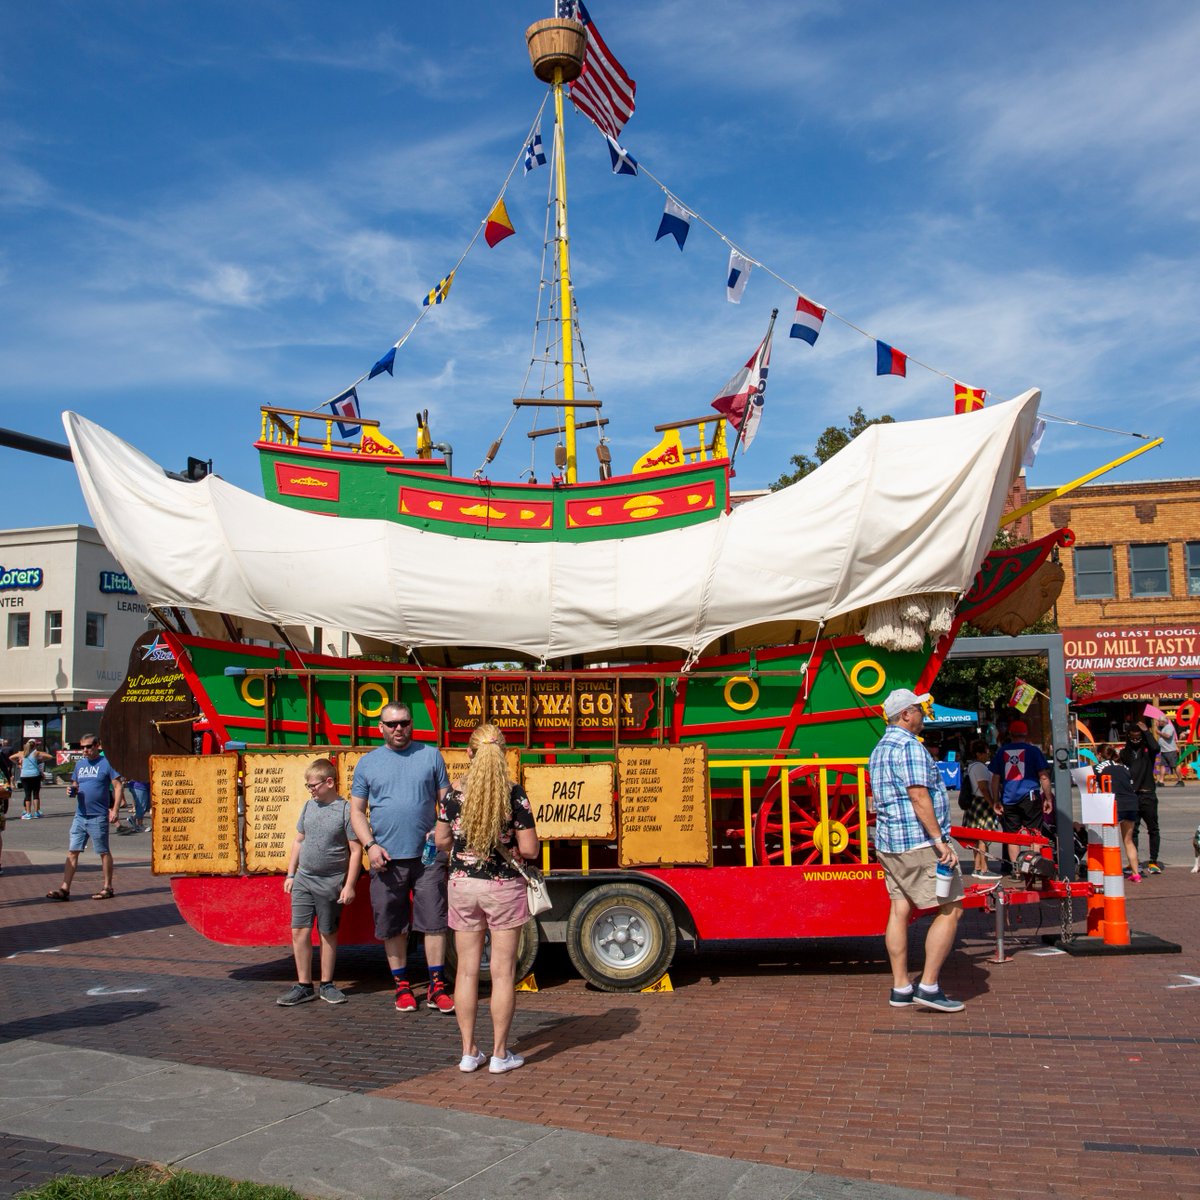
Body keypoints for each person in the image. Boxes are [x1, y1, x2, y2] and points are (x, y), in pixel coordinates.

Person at [436, 723, 540, 1073]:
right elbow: (528, 848)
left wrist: (462, 850)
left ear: (469, 753)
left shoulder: (453, 795)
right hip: (503, 889)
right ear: (503, 755)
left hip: (462, 887)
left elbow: (441, 841)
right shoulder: (514, 795)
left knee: (465, 972)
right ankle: (499, 1054)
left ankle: (468, 1053)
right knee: (502, 973)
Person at [349, 701, 454, 1014]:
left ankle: (436, 986)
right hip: (386, 858)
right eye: (391, 724)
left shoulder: (430, 755)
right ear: (380, 727)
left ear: (412, 724)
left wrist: (440, 830)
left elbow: (446, 803)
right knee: (392, 924)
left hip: (428, 858)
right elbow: (356, 810)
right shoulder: (368, 763)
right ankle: (402, 987)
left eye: (404, 723)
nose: (398, 729)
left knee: (435, 923)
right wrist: (370, 845)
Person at [868, 688, 965, 1013]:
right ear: (906, 714)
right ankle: (929, 985)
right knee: (951, 909)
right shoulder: (908, 747)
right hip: (919, 843)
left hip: (889, 842)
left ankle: (900, 986)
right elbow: (918, 796)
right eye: (919, 710)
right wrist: (939, 841)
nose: (923, 715)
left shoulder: (879, 748)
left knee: (899, 910)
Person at [277, 758, 361, 1006]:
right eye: (308, 786)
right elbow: (299, 840)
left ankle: (327, 984)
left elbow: (356, 851)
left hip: (331, 881)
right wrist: (291, 874)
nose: (310, 789)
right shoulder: (308, 806)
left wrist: (349, 885)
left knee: (327, 932)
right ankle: (304, 985)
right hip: (304, 877)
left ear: (329, 782)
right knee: (299, 931)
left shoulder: (346, 810)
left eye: (313, 785)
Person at [45, 737, 123, 901]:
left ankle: (107, 887)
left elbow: (117, 786)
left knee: (103, 851)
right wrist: (71, 790)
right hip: (80, 815)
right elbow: (75, 784)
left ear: (97, 746)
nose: (85, 750)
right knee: (73, 851)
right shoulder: (80, 764)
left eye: (88, 747)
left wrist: (115, 809)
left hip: (98, 815)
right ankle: (64, 888)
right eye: (82, 747)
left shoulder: (106, 763)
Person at [988, 718, 1052, 875]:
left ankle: (1016, 870)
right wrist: (1048, 798)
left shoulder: (1002, 752)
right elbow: (1043, 776)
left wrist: (996, 800)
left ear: (1011, 734)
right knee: (1034, 833)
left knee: (1012, 835)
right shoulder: (1033, 751)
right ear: (1026, 734)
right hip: (1030, 796)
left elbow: (995, 778)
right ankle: (1033, 868)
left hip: (1009, 798)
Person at [1095, 744, 1141, 882]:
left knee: (1109, 841)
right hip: (1131, 803)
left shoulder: (1098, 768)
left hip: (1113, 803)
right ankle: (1136, 873)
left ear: (1099, 755)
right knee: (1128, 840)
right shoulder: (1124, 767)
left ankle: (1111, 871)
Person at [1121, 720, 1161, 873]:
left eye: (1139, 737)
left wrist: (1147, 732)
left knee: (1153, 829)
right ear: (1128, 737)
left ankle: (1153, 861)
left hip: (1148, 794)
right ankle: (1134, 862)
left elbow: (1156, 747)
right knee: (1133, 830)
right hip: (1133, 795)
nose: (1136, 740)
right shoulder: (1125, 753)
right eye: (1133, 738)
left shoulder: (1147, 750)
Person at [959, 739, 1000, 879]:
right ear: (979, 754)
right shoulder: (980, 767)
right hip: (982, 804)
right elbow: (983, 788)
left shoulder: (971, 766)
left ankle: (977, 867)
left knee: (976, 837)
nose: (988, 755)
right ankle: (984, 869)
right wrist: (992, 804)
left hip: (973, 803)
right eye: (986, 753)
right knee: (984, 836)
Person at [12, 740, 53, 819]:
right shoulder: (36, 753)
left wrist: (19, 764)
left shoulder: (22, 753)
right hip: (35, 775)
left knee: (27, 794)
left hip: (24, 775)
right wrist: (41, 759)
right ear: (34, 746)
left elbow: (11, 757)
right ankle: (37, 812)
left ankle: (28, 813)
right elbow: (50, 756)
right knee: (36, 794)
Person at [1156, 715, 1183, 787]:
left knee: (1174, 765)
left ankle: (1180, 780)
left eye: (1159, 721)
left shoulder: (1169, 727)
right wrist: (1157, 727)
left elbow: (1168, 736)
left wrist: (1159, 733)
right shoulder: (1162, 728)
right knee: (1162, 765)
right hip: (1164, 750)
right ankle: (1161, 781)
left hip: (1170, 750)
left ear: (1163, 722)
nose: (1158, 722)